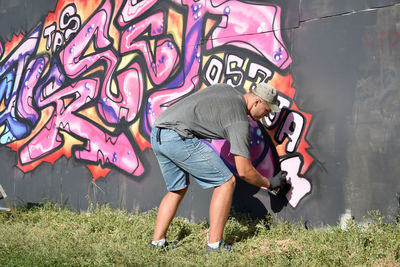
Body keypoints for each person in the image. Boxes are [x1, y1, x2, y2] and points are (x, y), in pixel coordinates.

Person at [149, 82, 287, 252]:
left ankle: (157, 244)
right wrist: (269, 183)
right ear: (257, 101)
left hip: (158, 132)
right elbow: (244, 171)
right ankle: (214, 247)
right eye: (266, 110)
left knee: (177, 189)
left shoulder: (226, 89)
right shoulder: (239, 121)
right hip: (178, 136)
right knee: (226, 182)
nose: (265, 116)